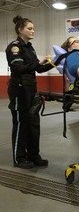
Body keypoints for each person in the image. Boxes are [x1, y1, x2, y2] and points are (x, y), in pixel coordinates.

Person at [6, 15, 54, 169]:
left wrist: (55, 62)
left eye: (33, 28)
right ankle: (19, 158)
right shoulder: (14, 47)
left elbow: (38, 68)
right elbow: (18, 68)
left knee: (34, 123)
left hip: (31, 90)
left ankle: (34, 155)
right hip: (19, 91)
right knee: (21, 124)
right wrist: (37, 63)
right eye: (29, 28)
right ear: (20, 30)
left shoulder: (29, 47)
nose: (33, 31)